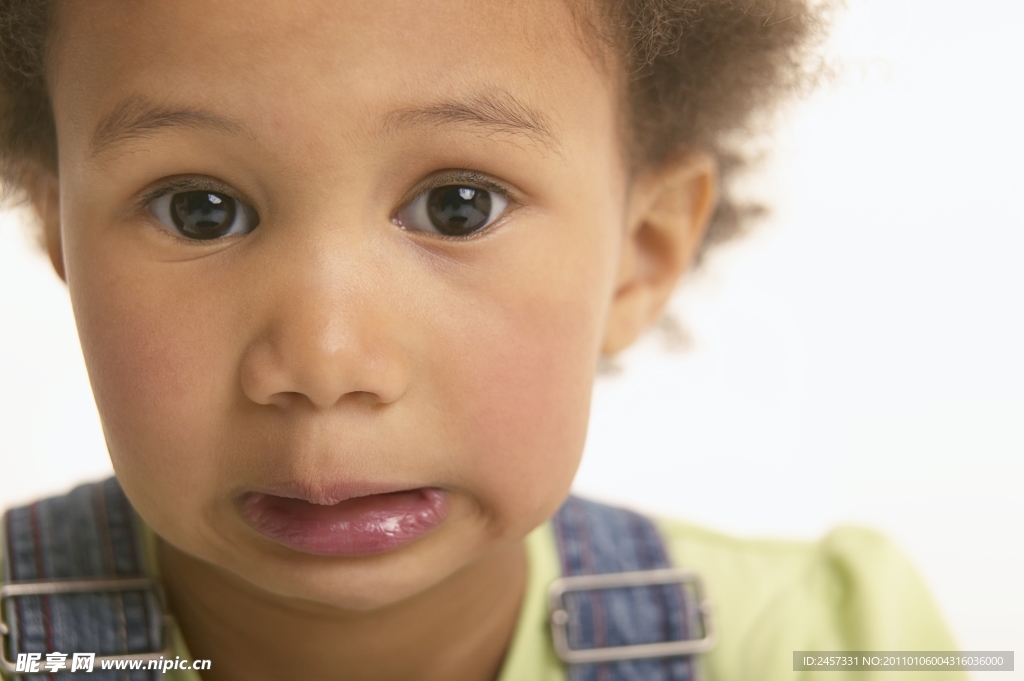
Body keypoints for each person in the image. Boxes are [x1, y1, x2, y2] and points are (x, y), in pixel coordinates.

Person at [0, 1, 965, 679]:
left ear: (641, 249)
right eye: (200, 211)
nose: (326, 363)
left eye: (458, 208)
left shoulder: (823, 649)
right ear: (61, 237)